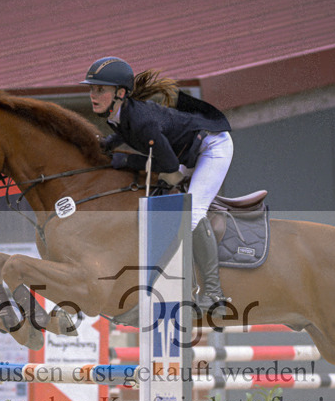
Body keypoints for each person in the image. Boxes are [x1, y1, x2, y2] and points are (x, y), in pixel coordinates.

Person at [82, 56, 234, 311]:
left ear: (120, 93)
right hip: (184, 150)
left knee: (192, 213)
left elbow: (169, 168)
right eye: (91, 89)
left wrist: (125, 161)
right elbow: (126, 133)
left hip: (212, 146)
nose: (93, 95)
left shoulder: (142, 121)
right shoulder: (116, 114)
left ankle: (213, 294)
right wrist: (108, 144)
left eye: (100, 89)